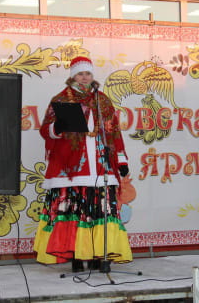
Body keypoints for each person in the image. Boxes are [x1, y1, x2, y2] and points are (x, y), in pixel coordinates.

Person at [33, 56, 133, 272]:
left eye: (87, 73)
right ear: (73, 76)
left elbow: (114, 132)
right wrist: (57, 127)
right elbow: (45, 130)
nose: (84, 77)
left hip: (99, 164)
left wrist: (121, 160)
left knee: (98, 210)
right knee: (76, 211)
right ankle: (77, 257)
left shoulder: (103, 100)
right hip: (71, 168)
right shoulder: (61, 99)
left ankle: (99, 255)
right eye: (80, 73)